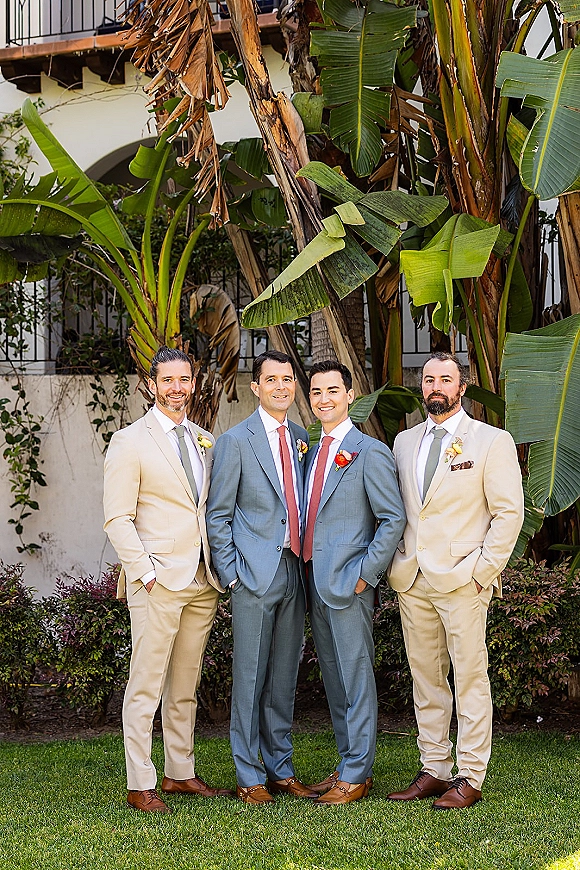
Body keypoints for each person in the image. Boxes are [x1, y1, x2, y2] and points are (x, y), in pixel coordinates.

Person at [387, 352, 524, 809]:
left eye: (446, 379)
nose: (436, 387)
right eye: (429, 379)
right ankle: (434, 768)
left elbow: (509, 514)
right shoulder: (404, 442)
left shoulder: (490, 440)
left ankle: (471, 774)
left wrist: (483, 573)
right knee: (426, 679)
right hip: (413, 580)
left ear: (462, 387)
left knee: (469, 678)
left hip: (464, 580)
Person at [103, 346, 231, 813]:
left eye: (184, 380)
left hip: (202, 581)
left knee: (185, 684)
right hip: (157, 583)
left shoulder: (204, 439)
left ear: (193, 384)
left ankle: (180, 772)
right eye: (168, 381)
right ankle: (141, 781)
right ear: (152, 385)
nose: (177, 388)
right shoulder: (129, 441)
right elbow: (117, 519)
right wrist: (146, 574)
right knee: (146, 683)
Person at [207, 350, 316, 804]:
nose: (280, 387)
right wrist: (232, 575)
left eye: (287, 379)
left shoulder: (302, 436)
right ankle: (249, 775)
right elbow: (218, 514)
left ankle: (280, 768)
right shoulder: (235, 440)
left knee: (284, 677)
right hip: (253, 575)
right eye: (271, 379)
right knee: (249, 677)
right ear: (256, 387)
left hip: (295, 571)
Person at [303, 360, 406, 805]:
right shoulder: (310, 450)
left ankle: (359, 772)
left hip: (349, 584)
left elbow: (392, 518)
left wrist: (365, 575)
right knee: (334, 677)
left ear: (350, 395)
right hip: (313, 582)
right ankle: (346, 763)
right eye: (316, 392)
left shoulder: (370, 451)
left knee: (356, 676)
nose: (324, 399)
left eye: (332, 391)